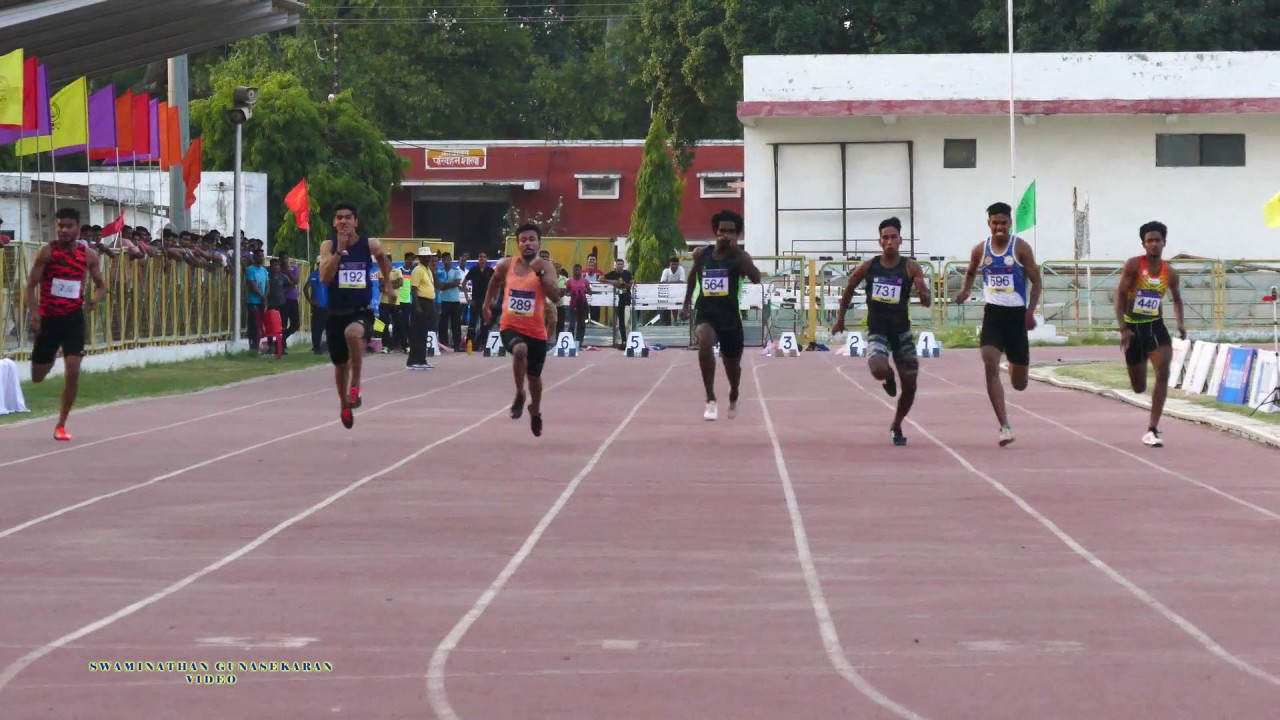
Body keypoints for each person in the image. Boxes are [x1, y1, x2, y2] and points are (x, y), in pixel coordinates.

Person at [831, 217, 932, 445]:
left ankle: (897, 424)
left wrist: (924, 295)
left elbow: (923, 290)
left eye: (893, 237)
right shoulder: (868, 266)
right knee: (877, 368)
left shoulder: (910, 266)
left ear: (900, 240)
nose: (889, 241)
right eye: (885, 237)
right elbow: (848, 289)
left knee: (911, 384)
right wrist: (840, 318)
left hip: (901, 333)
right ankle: (888, 377)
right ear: (879, 241)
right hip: (878, 331)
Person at [953, 202, 1043, 446]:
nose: (999, 227)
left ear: (1010, 223)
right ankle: (1004, 426)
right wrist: (965, 291)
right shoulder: (980, 250)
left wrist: (1030, 312)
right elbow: (971, 271)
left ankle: (1013, 363)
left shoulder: (1021, 249)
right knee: (989, 361)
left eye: (1003, 223)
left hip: (1016, 317)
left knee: (1019, 383)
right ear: (989, 224)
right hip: (992, 315)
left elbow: (1037, 282)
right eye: (995, 223)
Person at [25, 207, 107, 441]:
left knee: (73, 370)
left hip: (73, 318)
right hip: (49, 319)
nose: (63, 230)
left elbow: (101, 284)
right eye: (60, 225)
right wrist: (35, 314)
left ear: (77, 229)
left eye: (68, 226)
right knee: (37, 376)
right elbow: (30, 285)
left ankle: (61, 423)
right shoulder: (47, 252)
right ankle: (50, 356)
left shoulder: (88, 255)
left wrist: (95, 300)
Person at [317, 204, 399, 428]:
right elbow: (325, 278)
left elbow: (382, 257)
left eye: (348, 218)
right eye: (339, 218)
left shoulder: (369, 244)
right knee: (340, 364)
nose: (343, 222)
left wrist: (389, 286)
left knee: (353, 334)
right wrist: (339, 252)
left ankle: (356, 383)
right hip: (335, 311)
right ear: (334, 223)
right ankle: (344, 403)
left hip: (360, 310)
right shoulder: (328, 246)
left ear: (356, 222)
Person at [681, 210, 762, 421]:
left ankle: (733, 392)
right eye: (722, 230)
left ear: (737, 235)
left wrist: (739, 255)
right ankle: (710, 398)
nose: (726, 234)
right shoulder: (702, 254)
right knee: (705, 342)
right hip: (706, 313)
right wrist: (686, 304)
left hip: (730, 318)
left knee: (732, 366)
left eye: (732, 232)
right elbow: (692, 278)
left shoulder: (740, 257)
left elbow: (755, 278)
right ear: (715, 231)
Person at [482, 223, 561, 437]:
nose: (527, 243)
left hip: (536, 331)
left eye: (531, 239)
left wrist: (541, 273)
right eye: (523, 240)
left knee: (535, 379)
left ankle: (535, 410)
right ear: (518, 244)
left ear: (538, 242)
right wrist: (487, 304)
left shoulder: (547, 266)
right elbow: (494, 281)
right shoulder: (507, 265)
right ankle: (519, 394)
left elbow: (555, 296)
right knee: (519, 350)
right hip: (510, 325)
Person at [1115, 221, 1186, 447]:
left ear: (1164, 242)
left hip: (1155, 327)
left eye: (1158, 240)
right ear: (1143, 244)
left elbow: (1176, 300)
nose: (1154, 244)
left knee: (1163, 372)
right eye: (1150, 241)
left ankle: (1153, 428)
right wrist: (1123, 328)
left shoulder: (1170, 273)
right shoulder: (1134, 266)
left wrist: (1181, 325)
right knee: (1139, 387)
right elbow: (1120, 296)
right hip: (1133, 329)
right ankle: (1141, 360)